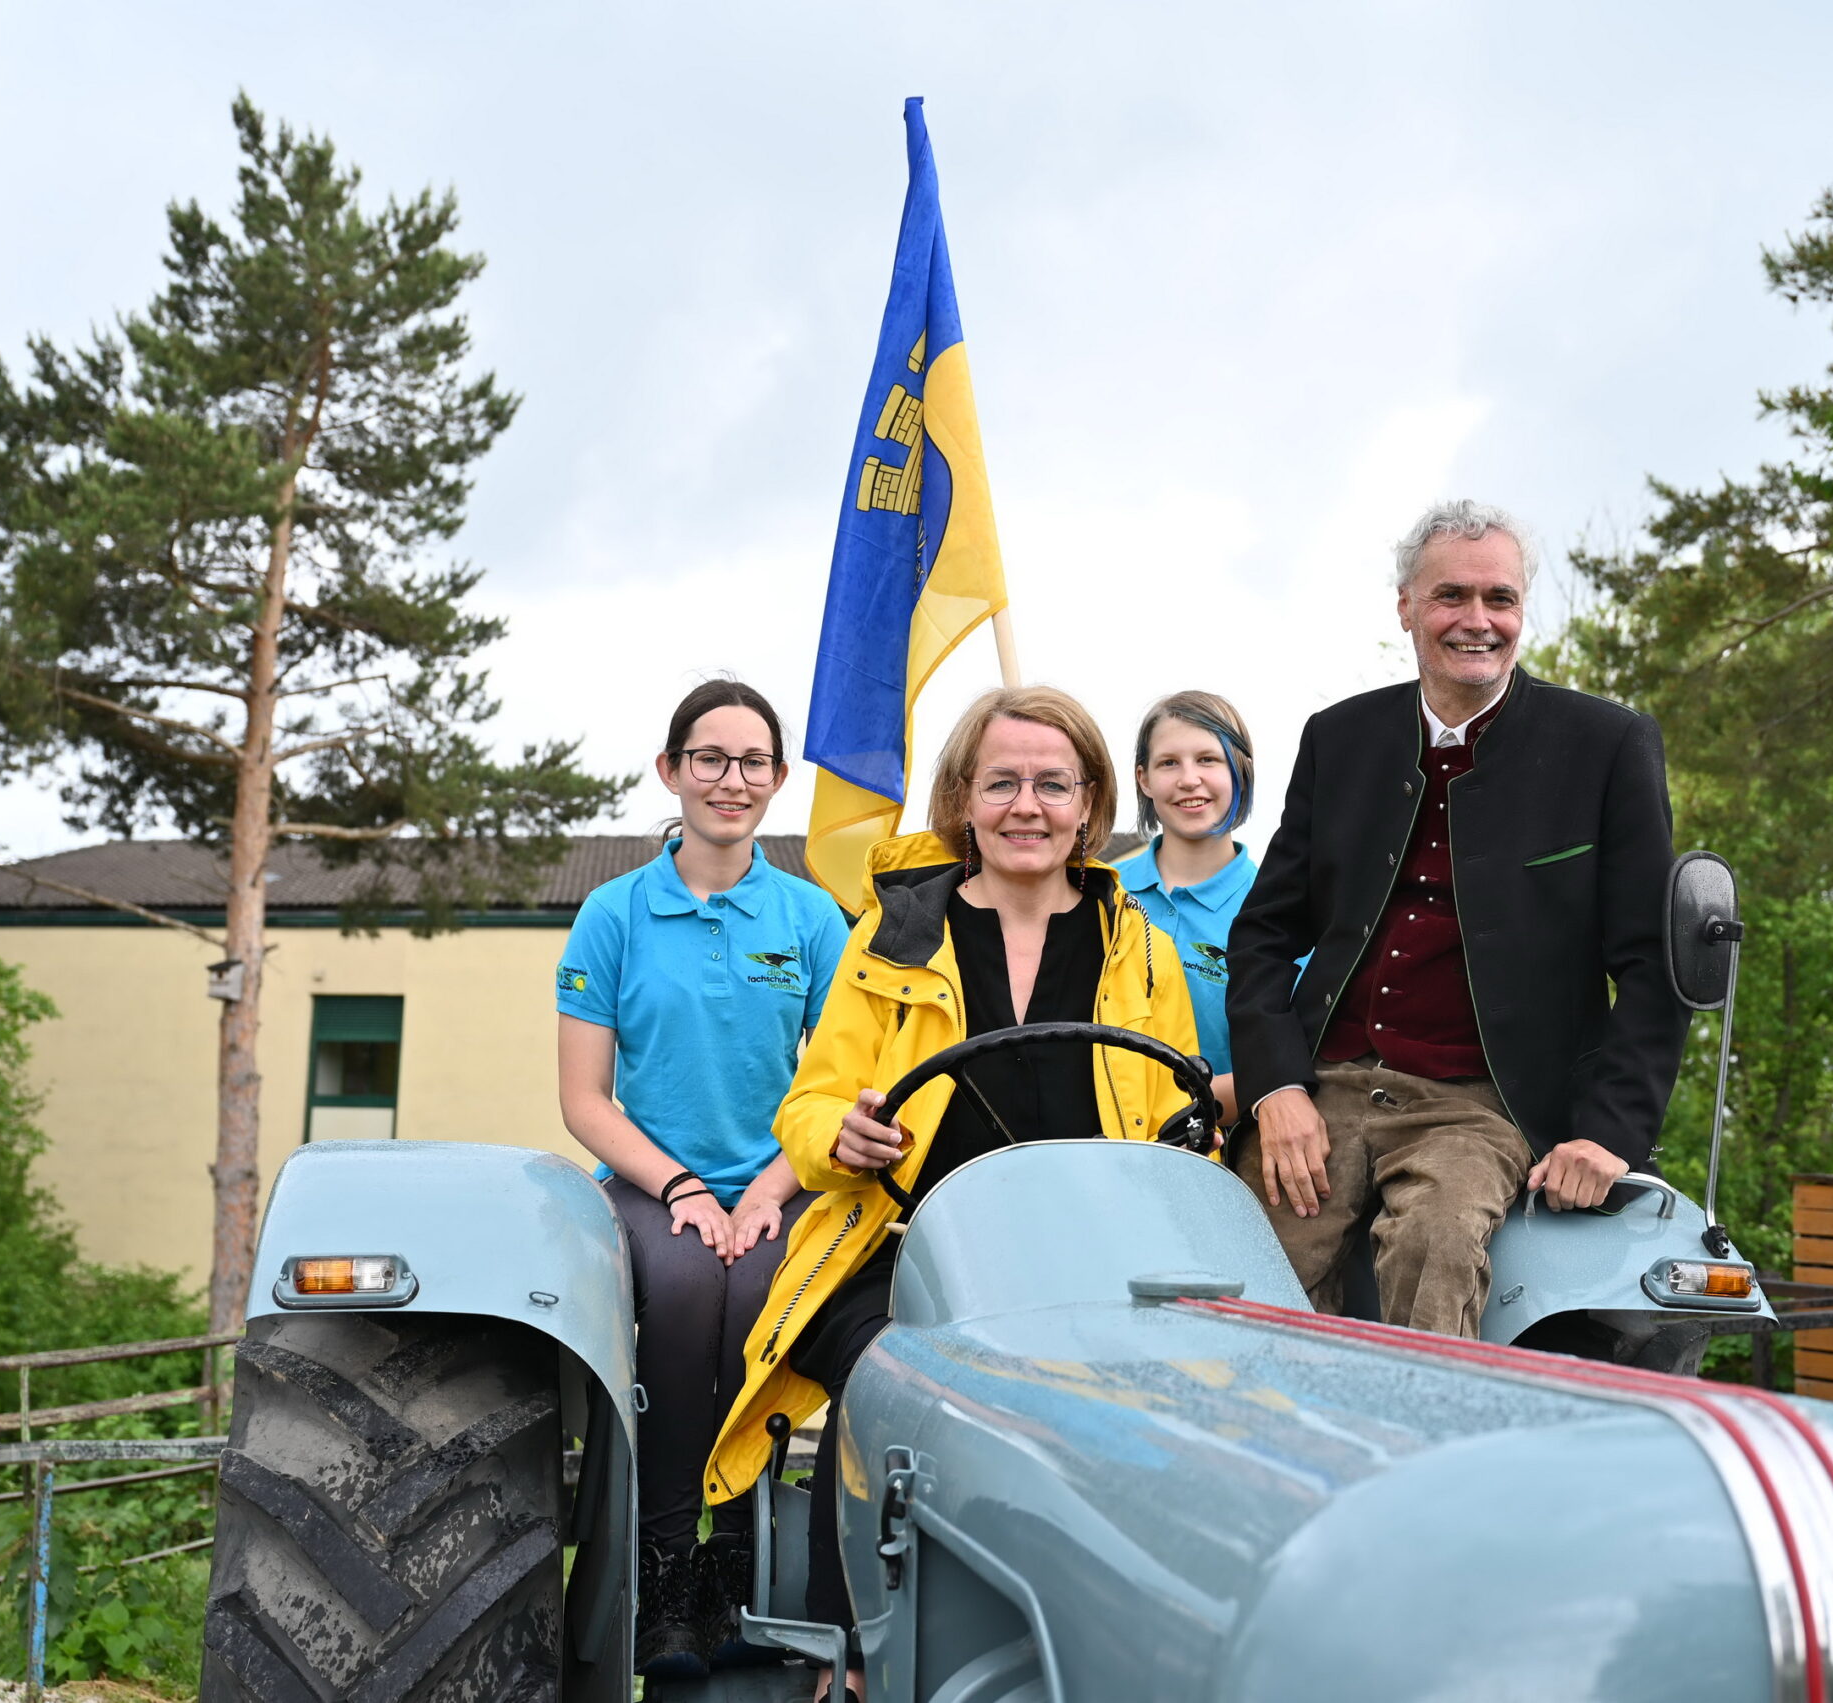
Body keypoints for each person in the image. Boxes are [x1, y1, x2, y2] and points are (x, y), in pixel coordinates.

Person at [702, 685, 1201, 1701]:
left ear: (1090, 800)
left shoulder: (1139, 945)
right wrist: (841, 1135)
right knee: (887, 1375)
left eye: (1052, 783)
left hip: (1087, 1264)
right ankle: (854, 1661)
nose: (1028, 803)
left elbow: (1172, 1123)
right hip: (900, 1250)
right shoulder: (892, 937)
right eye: (1002, 780)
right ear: (963, 799)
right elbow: (809, 1106)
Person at [1225, 498, 1687, 1339]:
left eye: (1500, 599)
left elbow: (1657, 964)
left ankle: (1425, 1458)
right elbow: (1263, 934)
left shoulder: (1607, 746)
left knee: (1437, 1248)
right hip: (1325, 1086)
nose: (1477, 620)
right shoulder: (1341, 737)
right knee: (1245, 1267)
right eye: (1451, 597)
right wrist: (1275, 1087)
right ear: (1406, 605)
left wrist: (1607, 1133)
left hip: (1481, 1103)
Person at [554, 679, 849, 1676]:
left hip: (781, 1176)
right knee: (681, 1289)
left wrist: (768, 1189)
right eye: (711, 759)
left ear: (777, 779)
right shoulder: (612, 912)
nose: (732, 779)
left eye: (753, 761)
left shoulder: (811, 917)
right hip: (650, 1181)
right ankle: (665, 1565)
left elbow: (841, 1078)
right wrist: (683, 1190)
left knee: (762, 1298)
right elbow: (586, 1099)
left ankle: (736, 1559)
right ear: (671, 771)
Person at [1116, 689, 1259, 1128]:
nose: (1189, 779)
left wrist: (1174, 1113)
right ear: (1143, 779)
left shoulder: (1277, 907)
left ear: (1240, 770)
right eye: (1168, 763)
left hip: (1225, 1142)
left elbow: (1294, 1060)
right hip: (1103, 1136)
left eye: (1208, 760)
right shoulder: (1103, 891)